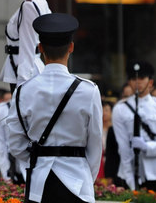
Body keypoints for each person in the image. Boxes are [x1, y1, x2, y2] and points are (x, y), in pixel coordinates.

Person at [7, 13, 102, 203]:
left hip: (38, 186)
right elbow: (96, 143)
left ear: (40, 48)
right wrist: (84, 177)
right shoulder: (88, 90)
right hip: (78, 183)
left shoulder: (23, 91)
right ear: (71, 47)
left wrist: (39, 160)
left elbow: (15, 144)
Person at [111, 61, 156, 192]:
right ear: (129, 82)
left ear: (150, 82)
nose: (137, 82)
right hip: (130, 170)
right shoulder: (120, 109)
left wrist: (147, 147)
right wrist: (129, 176)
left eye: (141, 78)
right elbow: (123, 147)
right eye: (134, 79)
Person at [0, 0, 52, 90]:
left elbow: (27, 43)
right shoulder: (39, 1)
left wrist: (23, 82)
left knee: (21, 110)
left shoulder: (30, 4)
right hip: (29, 67)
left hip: (25, 69)